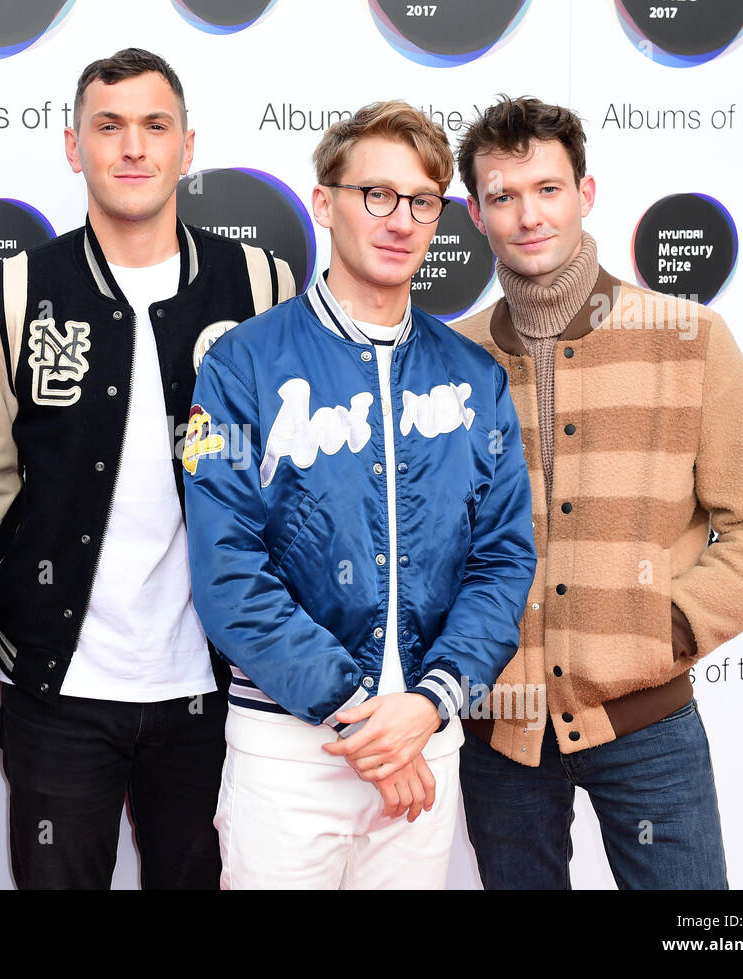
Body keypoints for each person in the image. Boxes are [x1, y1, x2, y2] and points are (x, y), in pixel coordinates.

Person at [452, 95, 743, 889]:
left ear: (585, 194)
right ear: (477, 214)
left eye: (547, 188)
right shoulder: (453, 356)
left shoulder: (687, 338)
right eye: (503, 196)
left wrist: (669, 625)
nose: (528, 215)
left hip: (648, 721)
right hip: (500, 731)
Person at [0, 47, 294, 890]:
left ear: (188, 145)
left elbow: (288, 479)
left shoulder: (261, 283)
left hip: (219, 686)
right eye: (108, 127)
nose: (133, 148)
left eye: (155, 126)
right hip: (57, 687)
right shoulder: (4, 291)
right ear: (75, 147)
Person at [182, 101, 535, 889]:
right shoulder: (241, 364)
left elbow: (503, 560)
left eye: (421, 201)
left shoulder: (474, 377)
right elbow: (227, 569)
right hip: (290, 750)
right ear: (322, 202)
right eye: (375, 193)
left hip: (426, 739)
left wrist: (426, 706)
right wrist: (359, 710)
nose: (399, 219)